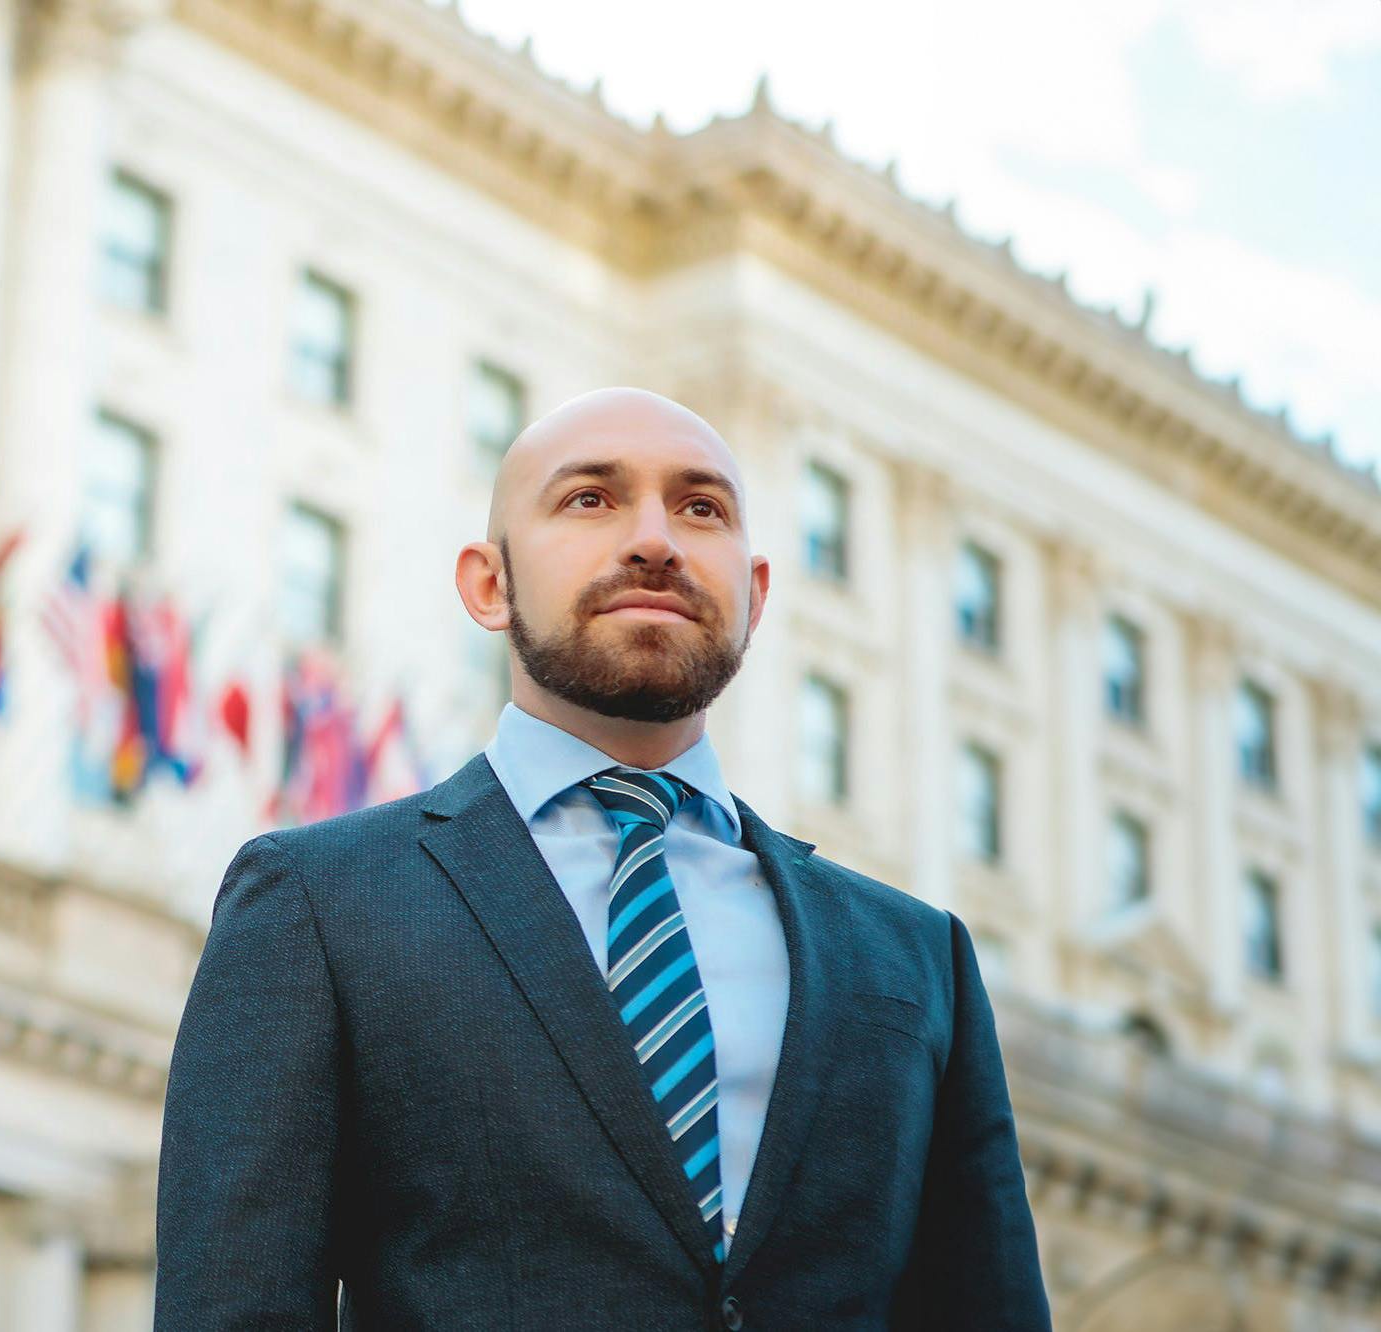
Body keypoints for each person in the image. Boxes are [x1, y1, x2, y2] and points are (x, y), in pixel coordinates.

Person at [154, 387, 1051, 1329]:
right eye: (590, 499)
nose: (655, 540)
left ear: (756, 594)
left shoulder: (916, 957)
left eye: (701, 508)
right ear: (488, 584)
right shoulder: (317, 903)